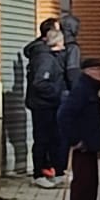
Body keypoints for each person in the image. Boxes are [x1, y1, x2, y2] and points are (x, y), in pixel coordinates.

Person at [57, 57, 100, 200]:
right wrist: (74, 140)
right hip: (82, 146)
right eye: (99, 69)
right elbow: (64, 115)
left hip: (90, 145)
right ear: (89, 71)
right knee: (82, 181)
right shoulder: (81, 91)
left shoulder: (90, 90)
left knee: (91, 181)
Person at [23, 18, 73, 189]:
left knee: (54, 139)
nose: (65, 46)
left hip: (48, 104)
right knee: (43, 139)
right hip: (43, 105)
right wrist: (58, 95)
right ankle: (39, 174)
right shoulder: (45, 58)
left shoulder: (50, 56)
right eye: (61, 42)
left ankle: (57, 172)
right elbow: (40, 83)